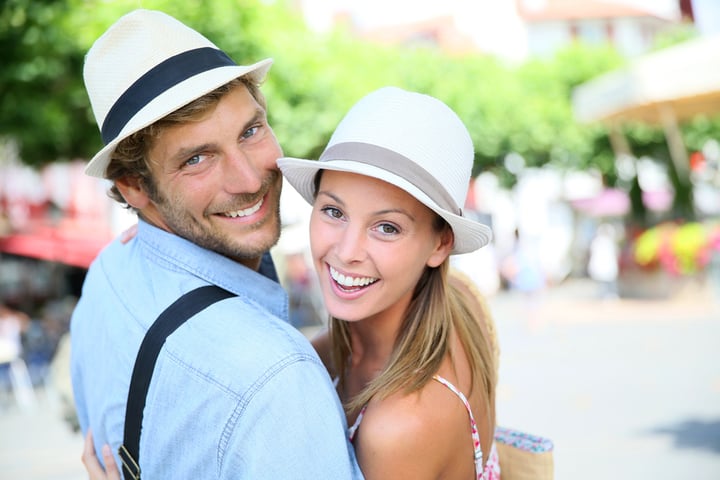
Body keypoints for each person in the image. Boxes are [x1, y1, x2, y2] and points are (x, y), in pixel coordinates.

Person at [84, 87, 502, 478]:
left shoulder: (396, 428)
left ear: (440, 244)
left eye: (387, 228)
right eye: (334, 212)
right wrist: (159, 235)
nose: (347, 251)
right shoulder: (455, 300)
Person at [71, 9, 361, 479]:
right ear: (134, 189)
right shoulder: (279, 382)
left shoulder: (106, 272)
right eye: (197, 159)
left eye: (251, 131)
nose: (250, 179)